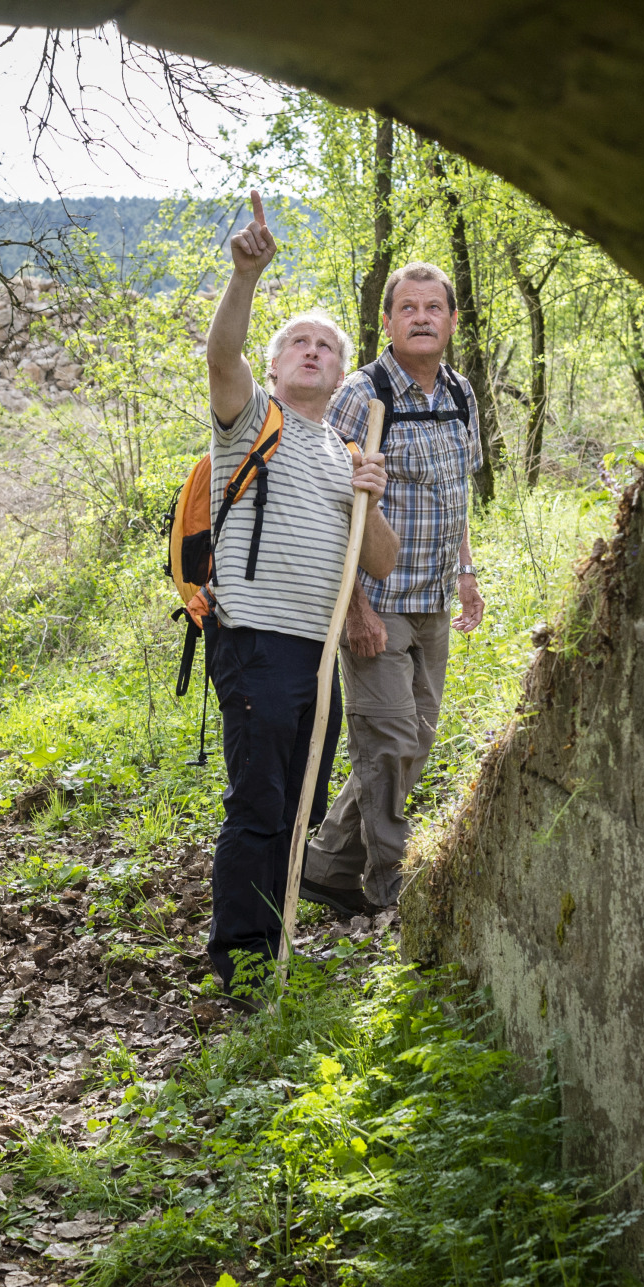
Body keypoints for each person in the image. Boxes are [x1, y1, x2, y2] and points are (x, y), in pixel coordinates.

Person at [202, 192, 398, 995]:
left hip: (317, 658)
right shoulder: (252, 421)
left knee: (301, 806)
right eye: (299, 343)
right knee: (259, 805)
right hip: (256, 642)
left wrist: (372, 494)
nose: (312, 352)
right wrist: (246, 277)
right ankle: (244, 965)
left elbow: (378, 561)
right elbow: (221, 354)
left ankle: (275, 939)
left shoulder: (346, 449)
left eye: (327, 345)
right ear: (277, 364)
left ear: (343, 370)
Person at [303, 262, 487, 915]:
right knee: (388, 742)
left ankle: (324, 865)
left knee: (418, 739)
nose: (421, 317)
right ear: (387, 321)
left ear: (451, 319)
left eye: (433, 307)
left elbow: (456, 493)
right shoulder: (363, 396)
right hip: (377, 602)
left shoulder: (460, 394)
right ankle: (390, 885)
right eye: (406, 308)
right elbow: (331, 507)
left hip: (434, 596)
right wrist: (354, 604)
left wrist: (467, 574)